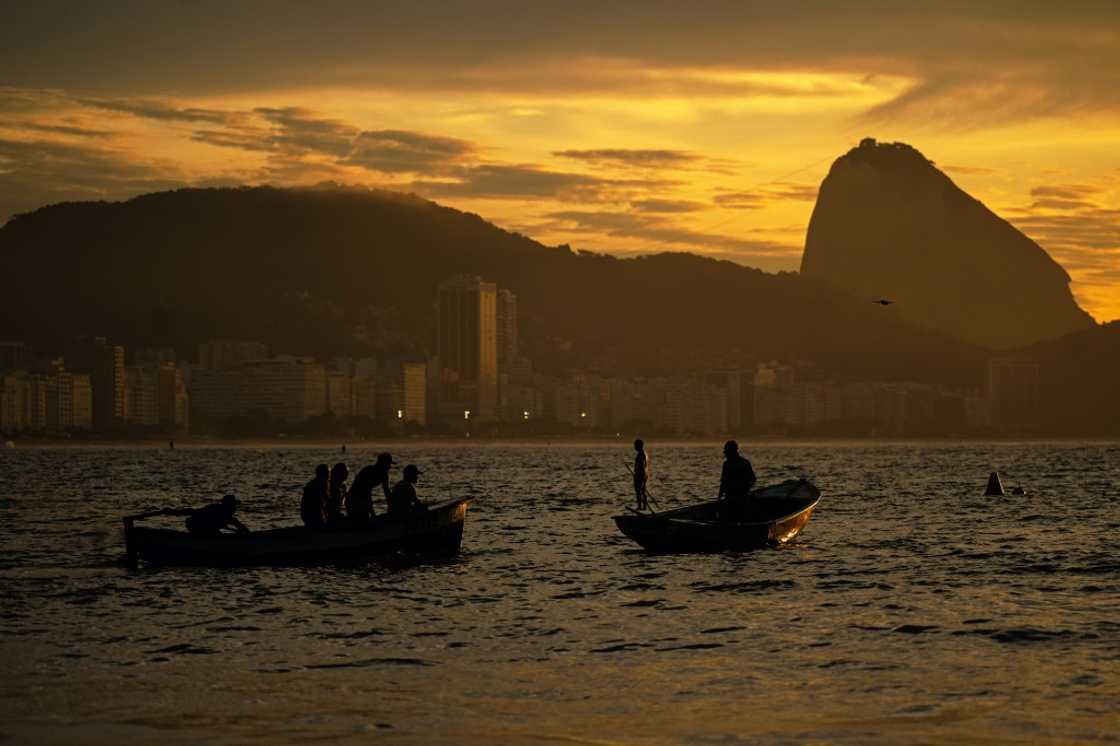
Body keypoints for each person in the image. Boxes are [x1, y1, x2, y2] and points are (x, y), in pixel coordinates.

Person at [347, 452, 396, 526]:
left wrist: (392, 509)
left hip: (363, 498)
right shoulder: (369, 470)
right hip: (353, 498)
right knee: (360, 520)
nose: (389, 467)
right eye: (388, 464)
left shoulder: (384, 475)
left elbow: (387, 492)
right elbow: (365, 492)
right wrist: (373, 513)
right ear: (383, 463)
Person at [718, 440, 757, 522]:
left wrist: (719, 498)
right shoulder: (743, 463)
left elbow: (723, 483)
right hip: (738, 498)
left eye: (726, 451)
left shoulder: (728, 464)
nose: (724, 453)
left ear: (732, 451)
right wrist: (747, 488)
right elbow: (753, 480)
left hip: (736, 499)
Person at [185, 494, 249, 536]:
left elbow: (237, 524)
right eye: (232, 505)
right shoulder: (217, 510)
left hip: (204, 527)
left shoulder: (228, 516)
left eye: (234, 505)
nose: (234, 508)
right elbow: (214, 523)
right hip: (195, 526)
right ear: (227, 505)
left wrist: (248, 533)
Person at [301, 464, 330, 529]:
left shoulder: (318, 483)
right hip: (312, 516)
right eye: (327, 473)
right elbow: (320, 503)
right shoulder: (318, 484)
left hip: (310, 516)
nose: (328, 475)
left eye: (328, 473)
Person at [633, 439, 650, 511]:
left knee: (638, 490)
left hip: (641, 474)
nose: (634, 447)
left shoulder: (641, 454)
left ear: (639, 445)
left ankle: (640, 507)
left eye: (635, 445)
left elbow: (642, 465)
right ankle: (644, 507)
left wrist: (638, 473)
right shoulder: (644, 453)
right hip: (644, 474)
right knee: (642, 491)